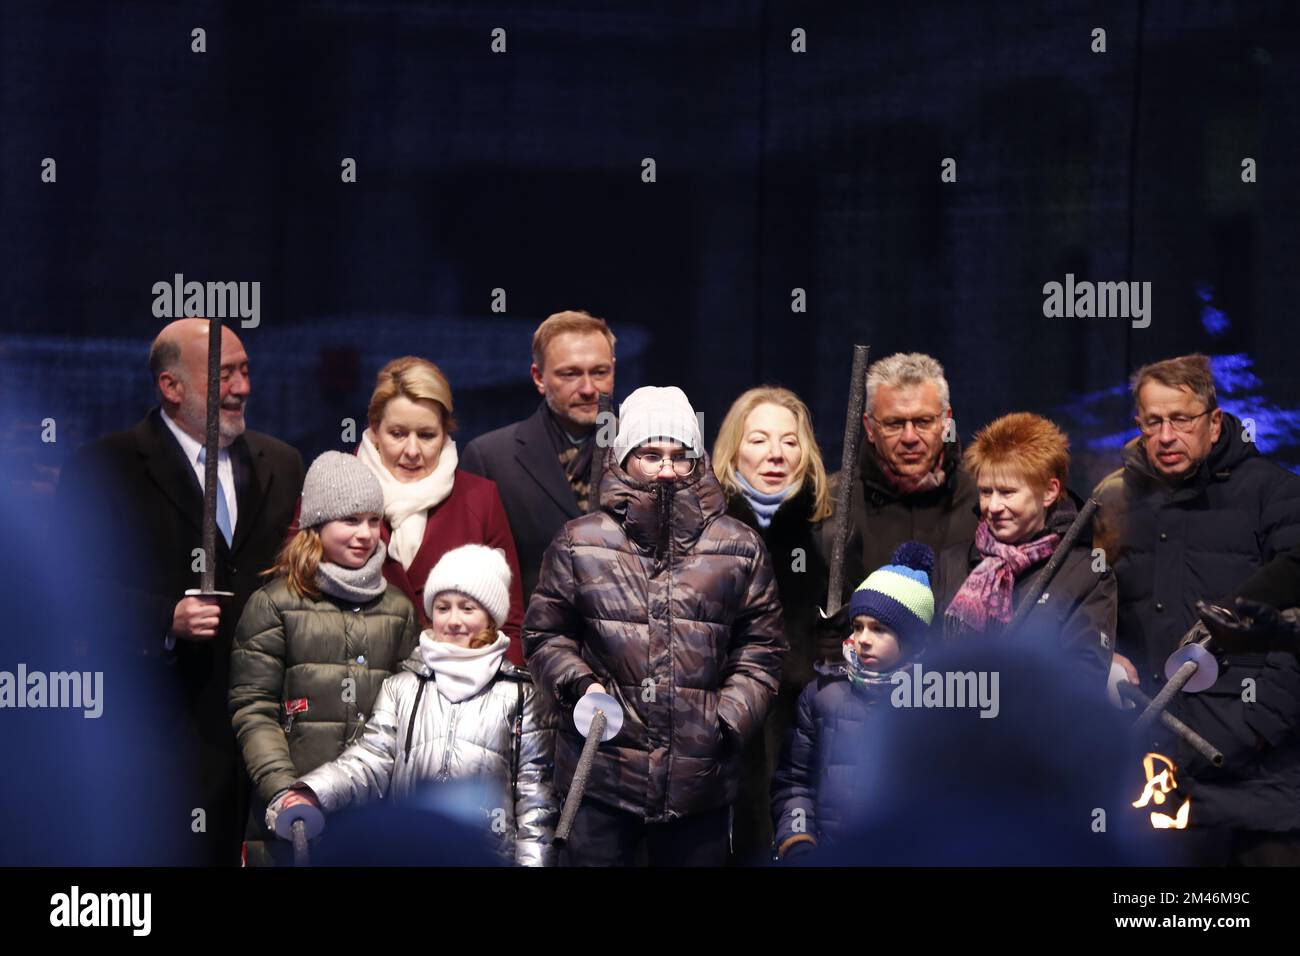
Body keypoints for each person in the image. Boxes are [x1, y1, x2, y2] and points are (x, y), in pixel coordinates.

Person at [54, 318, 304, 865]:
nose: (243, 388)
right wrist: (164, 617)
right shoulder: (105, 468)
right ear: (171, 387)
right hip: (157, 735)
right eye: (224, 376)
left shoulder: (282, 466)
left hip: (265, 737)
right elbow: (70, 591)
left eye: (245, 371)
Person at [525, 385, 787, 867]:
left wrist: (726, 720)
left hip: (699, 784)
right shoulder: (580, 542)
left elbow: (763, 648)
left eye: (679, 454)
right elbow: (544, 635)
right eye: (650, 453)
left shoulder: (737, 545)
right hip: (600, 777)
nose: (667, 468)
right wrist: (581, 688)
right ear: (624, 459)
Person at [1093, 354, 1300, 863]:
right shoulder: (1112, 503)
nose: (1166, 436)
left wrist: (1246, 727)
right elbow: (1091, 605)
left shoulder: (1274, 492)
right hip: (1155, 776)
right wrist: (1105, 658)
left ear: (1213, 422)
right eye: (1153, 422)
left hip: (1262, 781)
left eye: (1181, 420)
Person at [269, 545, 558, 866]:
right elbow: (370, 761)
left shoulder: (519, 695)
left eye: (468, 608)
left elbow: (536, 800)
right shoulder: (402, 687)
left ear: (490, 617)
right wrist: (314, 791)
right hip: (411, 851)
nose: (454, 621)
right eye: (443, 607)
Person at [228, 452, 419, 865]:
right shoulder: (273, 605)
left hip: (376, 818)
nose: (365, 534)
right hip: (293, 818)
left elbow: (409, 714)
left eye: (373, 520)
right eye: (349, 520)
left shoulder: (399, 608)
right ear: (315, 526)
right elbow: (253, 709)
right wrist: (284, 790)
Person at [711, 386, 832, 863]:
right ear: (733, 448)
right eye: (759, 439)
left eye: (790, 440)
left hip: (805, 727)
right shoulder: (705, 529)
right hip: (721, 730)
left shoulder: (829, 533)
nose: (776, 454)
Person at [353, 356, 527, 664]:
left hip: (458, 694)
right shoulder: (339, 488)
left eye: (426, 435)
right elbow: (301, 598)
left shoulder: (479, 498)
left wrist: (499, 698)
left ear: (445, 432)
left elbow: (510, 623)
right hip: (357, 690)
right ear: (375, 431)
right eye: (397, 434)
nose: (411, 451)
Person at [770, 543, 935, 861]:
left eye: (879, 629)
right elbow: (795, 780)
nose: (862, 638)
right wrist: (798, 838)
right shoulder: (823, 694)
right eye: (857, 626)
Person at [934, 412, 1114, 685]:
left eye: (1007, 492)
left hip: (1036, 725)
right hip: (953, 722)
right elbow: (925, 658)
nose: (992, 507)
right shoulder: (952, 562)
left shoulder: (1087, 575)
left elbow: (1084, 683)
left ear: (1050, 491)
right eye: (986, 492)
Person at [461, 310, 616, 603]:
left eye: (599, 372)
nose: (588, 389)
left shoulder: (645, 455)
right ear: (538, 377)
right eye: (570, 374)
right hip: (529, 639)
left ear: (614, 371)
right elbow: (473, 577)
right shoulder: (491, 458)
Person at [821, 353, 978, 642]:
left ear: (946, 422)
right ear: (869, 427)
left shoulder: (985, 501)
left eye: (923, 421)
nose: (909, 437)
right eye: (894, 423)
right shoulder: (831, 503)